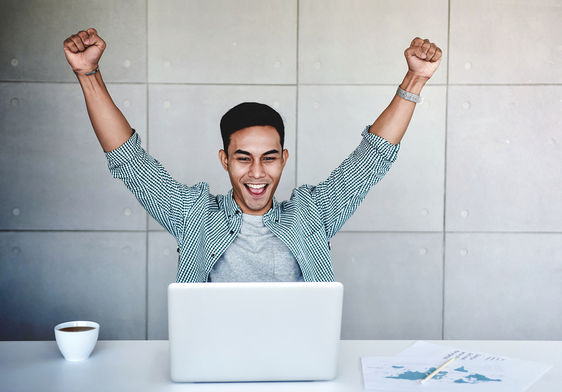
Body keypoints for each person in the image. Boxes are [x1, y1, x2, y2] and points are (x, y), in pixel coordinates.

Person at [63, 28, 442, 283]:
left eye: (269, 158)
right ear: (224, 160)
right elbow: (130, 161)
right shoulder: (192, 214)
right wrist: (88, 74)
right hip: (214, 365)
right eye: (243, 158)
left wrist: (416, 79)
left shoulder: (313, 214)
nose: (257, 172)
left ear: (284, 158)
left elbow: (371, 158)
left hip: (297, 363)